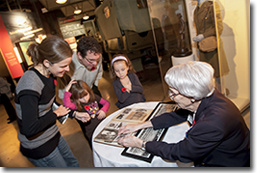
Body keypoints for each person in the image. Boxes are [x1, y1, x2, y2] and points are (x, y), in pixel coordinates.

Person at [118, 61, 250, 167]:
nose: (171, 97)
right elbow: (177, 115)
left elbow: (180, 152)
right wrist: (140, 125)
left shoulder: (212, 123)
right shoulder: (207, 94)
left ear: (192, 96)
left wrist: (140, 143)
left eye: (173, 93)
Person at [14, 36, 89, 167]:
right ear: (47, 63)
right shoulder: (30, 85)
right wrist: (55, 115)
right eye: (63, 66)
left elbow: (52, 104)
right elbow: (29, 129)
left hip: (52, 134)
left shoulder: (48, 75)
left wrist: (74, 114)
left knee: (73, 164)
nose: (67, 69)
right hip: (38, 146)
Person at [193, 0, 229, 91]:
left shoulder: (212, 6)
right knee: (207, 75)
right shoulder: (196, 9)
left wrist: (203, 36)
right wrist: (198, 45)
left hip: (212, 47)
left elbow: (219, 28)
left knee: (217, 75)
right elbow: (199, 29)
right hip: (203, 47)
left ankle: (221, 95)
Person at [63, 79, 110, 148]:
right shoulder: (77, 104)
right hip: (92, 132)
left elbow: (106, 103)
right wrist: (66, 90)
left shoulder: (93, 97)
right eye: (81, 98)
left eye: (86, 95)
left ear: (88, 91)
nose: (85, 99)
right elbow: (67, 105)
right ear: (75, 98)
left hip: (103, 125)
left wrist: (103, 110)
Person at [57, 36, 103, 101]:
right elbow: (62, 90)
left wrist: (95, 84)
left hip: (91, 89)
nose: (95, 63)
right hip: (77, 97)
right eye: (91, 60)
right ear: (80, 55)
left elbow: (99, 72)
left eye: (97, 59)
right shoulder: (68, 63)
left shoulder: (96, 57)